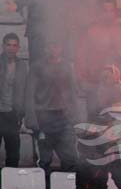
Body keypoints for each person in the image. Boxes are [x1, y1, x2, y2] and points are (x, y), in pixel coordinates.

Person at [25, 43, 79, 174]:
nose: (55, 49)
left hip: (64, 117)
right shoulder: (37, 66)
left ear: (61, 48)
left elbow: (73, 92)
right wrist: (32, 119)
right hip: (44, 117)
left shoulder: (67, 66)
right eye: (51, 46)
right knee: (44, 160)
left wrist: (74, 116)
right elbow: (29, 93)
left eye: (57, 46)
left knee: (70, 159)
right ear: (46, 48)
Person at [0, 34, 27, 168]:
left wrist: (22, 113)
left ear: (18, 48)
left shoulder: (22, 65)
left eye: (14, 45)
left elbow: (25, 90)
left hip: (13, 114)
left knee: (13, 154)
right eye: (8, 45)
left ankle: (10, 184)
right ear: (3, 46)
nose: (11, 48)